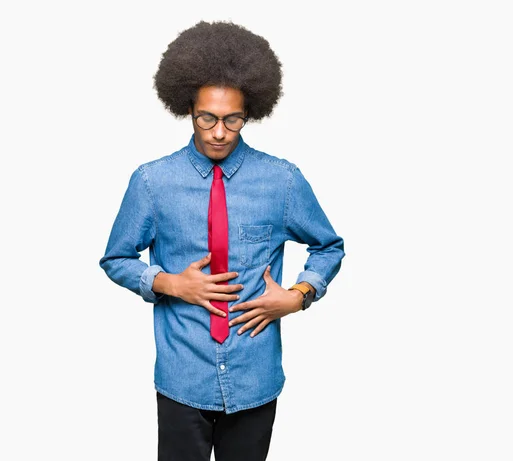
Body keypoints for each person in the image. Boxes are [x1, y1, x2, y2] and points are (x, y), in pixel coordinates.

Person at [99, 20, 344, 461]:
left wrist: (299, 296)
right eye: (207, 118)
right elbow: (116, 257)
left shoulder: (281, 180)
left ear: (250, 112)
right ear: (187, 109)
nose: (218, 132)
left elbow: (329, 246)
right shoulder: (153, 182)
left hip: (255, 377)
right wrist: (168, 283)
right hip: (183, 376)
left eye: (232, 119)